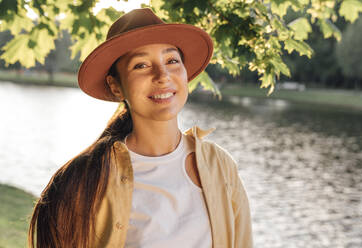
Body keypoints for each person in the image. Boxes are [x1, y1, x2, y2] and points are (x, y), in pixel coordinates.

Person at [28, 8, 253, 248]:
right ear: (116, 87)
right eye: (141, 65)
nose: (163, 75)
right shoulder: (83, 180)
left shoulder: (220, 165)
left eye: (172, 61)